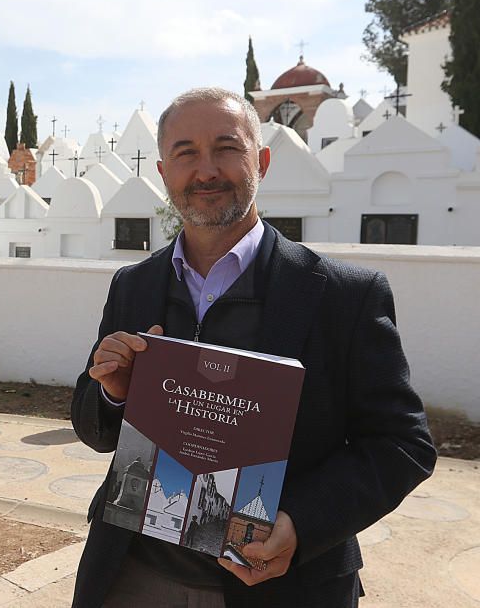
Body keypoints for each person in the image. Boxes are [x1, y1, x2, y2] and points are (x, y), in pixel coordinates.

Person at [70, 87, 436, 608]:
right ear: (162, 171)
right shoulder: (134, 286)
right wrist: (113, 394)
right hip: (132, 577)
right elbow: (93, 427)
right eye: (185, 153)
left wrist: (301, 523)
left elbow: (403, 445)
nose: (206, 171)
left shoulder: (344, 296)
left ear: (261, 160)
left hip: (280, 587)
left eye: (226, 147)